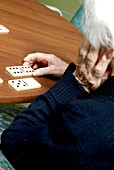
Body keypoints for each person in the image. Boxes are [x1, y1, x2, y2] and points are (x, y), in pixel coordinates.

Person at [1, 0, 114, 169]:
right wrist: (70, 70)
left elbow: (15, 142)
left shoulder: (86, 128)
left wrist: (77, 81)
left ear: (105, 53)